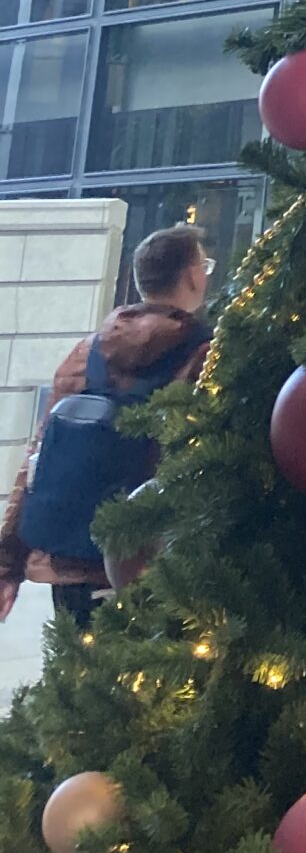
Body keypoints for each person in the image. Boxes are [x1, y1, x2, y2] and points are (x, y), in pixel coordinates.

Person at [0, 226, 213, 624]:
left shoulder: (87, 352)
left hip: (68, 563)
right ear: (193, 275)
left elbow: (39, 456)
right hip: (148, 564)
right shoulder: (206, 354)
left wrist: (7, 564)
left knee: (79, 663)